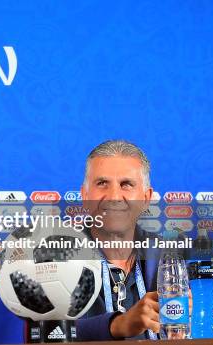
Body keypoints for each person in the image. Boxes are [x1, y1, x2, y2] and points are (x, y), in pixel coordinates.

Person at [75, 140, 189, 341]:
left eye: (126, 184)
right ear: (84, 195)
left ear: (146, 198)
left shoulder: (174, 257)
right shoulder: (54, 257)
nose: (114, 197)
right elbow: (46, 331)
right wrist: (118, 324)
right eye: (102, 183)